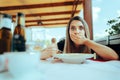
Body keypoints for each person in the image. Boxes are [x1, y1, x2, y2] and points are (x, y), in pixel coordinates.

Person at [41, 16, 119, 60]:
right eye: (73, 28)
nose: (77, 31)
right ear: (68, 32)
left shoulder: (91, 45)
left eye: (81, 28)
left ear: (85, 31)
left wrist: (86, 41)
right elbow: (41, 54)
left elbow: (114, 57)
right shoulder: (63, 44)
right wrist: (48, 53)